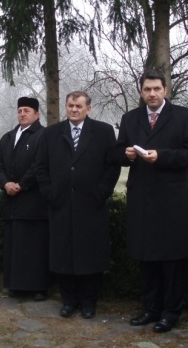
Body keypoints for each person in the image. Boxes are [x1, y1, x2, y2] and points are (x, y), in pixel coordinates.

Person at [112, 69, 188, 333]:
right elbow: (117, 153)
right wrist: (127, 154)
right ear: (141, 92)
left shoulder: (185, 116)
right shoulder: (130, 118)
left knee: (171, 259)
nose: (152, 94)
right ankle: (150, 309)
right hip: (141, 198)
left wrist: (160, 156)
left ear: (165, 90)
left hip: (172, 200)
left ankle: (171, 312)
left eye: (156, 89)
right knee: (146, 257)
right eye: (147, 89)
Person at [36, 91, 120, 319]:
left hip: (91, 205)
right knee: (63, 254)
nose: (74, 109)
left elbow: (112, 166)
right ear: (65, 107)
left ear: (88, 109)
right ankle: (69, 300)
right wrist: (50, 194)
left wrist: (101, 193)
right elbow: (41, 167)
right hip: (61, 204)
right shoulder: (51, 133)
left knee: (90, 254)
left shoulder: (103, 132)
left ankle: (89, 301)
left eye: (79, 106)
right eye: (70, 105)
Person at [0, 96, 49, 300]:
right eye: (20, 111)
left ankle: (38, 287)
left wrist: (22, 184)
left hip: (33, 202)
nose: (22, 114)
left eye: (27, 111)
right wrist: (4, 183)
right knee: (14, 246)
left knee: (34, 247)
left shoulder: (43, 135)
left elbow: (40, 164)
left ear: (37, 114)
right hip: (12, 201)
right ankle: (15, 285)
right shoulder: (8, 137)